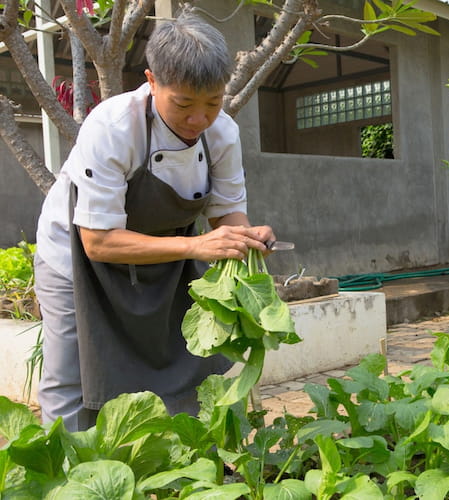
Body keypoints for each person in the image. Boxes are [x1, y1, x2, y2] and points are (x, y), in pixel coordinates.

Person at [33, 10, 274, 431]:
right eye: (183, 103)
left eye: (213, 103)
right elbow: (99, 243)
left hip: (162, 261)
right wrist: (195, 247)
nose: (198, 119)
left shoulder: (223, 134)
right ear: (151, 80)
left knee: (185, 366)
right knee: (71, 375)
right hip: (73, 259)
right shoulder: (112, 128)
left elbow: (226, 213)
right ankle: (71, 476)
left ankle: (178, 466)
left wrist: (244, 236)